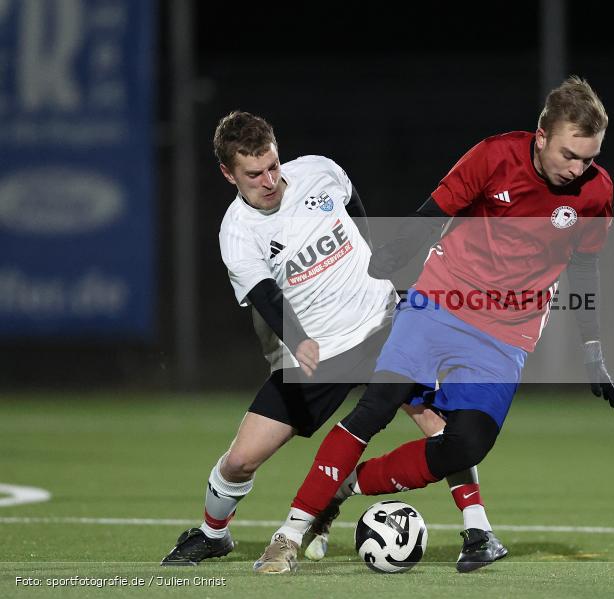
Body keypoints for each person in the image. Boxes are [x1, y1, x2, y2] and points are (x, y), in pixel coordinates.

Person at [257, 76, 614, 575]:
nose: (579, 169)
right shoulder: (493, 158)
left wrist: (594, 347)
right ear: (541, 137)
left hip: (507, 332)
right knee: (376, 406)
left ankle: (344, 485)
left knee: (467, 442)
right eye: (569, 155)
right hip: (441, 302)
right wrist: (393, 254)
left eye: (590, 158)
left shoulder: (596, 192)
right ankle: (289, 534)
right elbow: (434, 214)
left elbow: (584, 266)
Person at [160, 111, 503, 572]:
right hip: (315, 355)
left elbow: (353, 202)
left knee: (442, 430)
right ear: (228, 173)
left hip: (384, 325)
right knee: (240, 462)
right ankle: (213, 534)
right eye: (254, 173)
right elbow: (265, 296)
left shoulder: (319, 170)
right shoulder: (238, 233)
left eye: (273, 166)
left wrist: (377, 260)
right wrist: (299, 341)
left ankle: (478, 529)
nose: (269, 180)